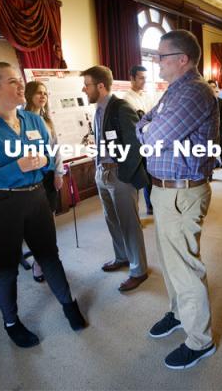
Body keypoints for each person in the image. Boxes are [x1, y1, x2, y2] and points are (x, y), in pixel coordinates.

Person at [0, 61, 86, 348]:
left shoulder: (33, 121)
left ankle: (69, 305)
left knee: (49, 255)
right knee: (7, 268)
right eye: (12, 82)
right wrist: (15, 167)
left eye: (20, 80)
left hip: (35, 198)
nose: (21, 86)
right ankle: (11, 323)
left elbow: (46, 153)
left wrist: (44, 163)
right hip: (0, 203)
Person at [136, 30, 218, 369]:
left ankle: (201, 341)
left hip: (182, 192)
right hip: (164, 189)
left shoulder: (195, 92)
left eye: (161, 56)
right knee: (170, 263)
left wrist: (148, 130)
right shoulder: (175, 90)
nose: (156, 62)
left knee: (184, 267)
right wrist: (148, 128)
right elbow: (144, 121)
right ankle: (178, 312)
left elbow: (152, 135)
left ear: (182, 59)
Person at [81, 65, 149, 292]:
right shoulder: (98, 110)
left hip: (120, 174)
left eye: (87, 84)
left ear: (100, 86)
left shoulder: (121, 107)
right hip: (103, 172)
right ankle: (121, 257)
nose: (84, 89)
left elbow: (136, 144)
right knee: (111, 219)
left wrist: (125, 174)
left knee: (129, 223)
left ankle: (138, 270)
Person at [24, 81, 65, 283]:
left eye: (45, 94)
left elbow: (56, 148)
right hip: (30, 178)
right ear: (29, 94)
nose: (42, 97)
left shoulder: (48, 120)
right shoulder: (21, 119)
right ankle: (38, 262)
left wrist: (59, 173)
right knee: (34, 225)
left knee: (49, 221)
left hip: (48, 176)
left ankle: (45, 260)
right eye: (39, 93)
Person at [123, 65, 155, 215]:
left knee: (150, 175)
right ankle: (134, 214)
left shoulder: (147, 96)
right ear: (132, 78)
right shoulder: (126, 99)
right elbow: (138, 120)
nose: (144, 81)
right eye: (141, 78)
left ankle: (150, 206)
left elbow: (151, 117)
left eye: (145, 78)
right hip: (135, 143)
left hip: (149, 140)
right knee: (137, 178)